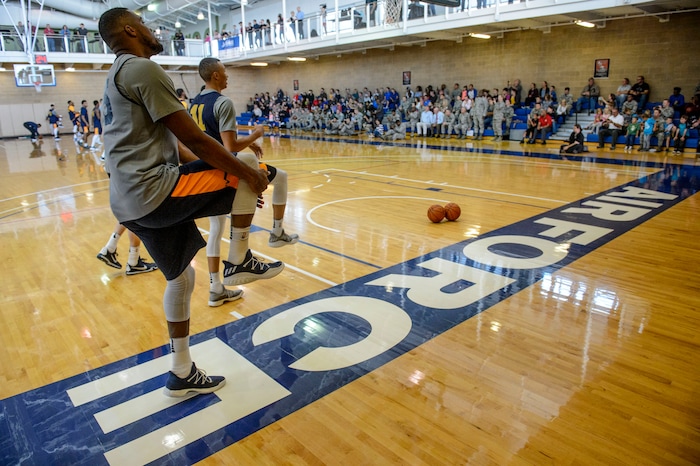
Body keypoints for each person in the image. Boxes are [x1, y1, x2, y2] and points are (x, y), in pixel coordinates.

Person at [98, 8, 282, 397]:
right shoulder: (142, 69)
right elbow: (199, 142)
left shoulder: (116, 77)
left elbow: (179, 148)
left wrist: (238, 189)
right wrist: (247, 176)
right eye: (144, 24)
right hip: (155, 192)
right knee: (250, 160)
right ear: (131, 29)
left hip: (130, 204)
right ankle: (238, 261)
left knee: (181, 277)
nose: (151, 31)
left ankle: (180, 372)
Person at [190, 57, 297, 306]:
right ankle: (277, 232)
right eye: (224, 72)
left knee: (216, 230)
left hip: (204, 170)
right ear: (215, 75)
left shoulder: (194, 103)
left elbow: (209, 136)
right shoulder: (223, 102)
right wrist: (254, 135)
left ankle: (216, 288)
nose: (227, 76)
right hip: (226, 169)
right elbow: (229, 147)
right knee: (280, 178)